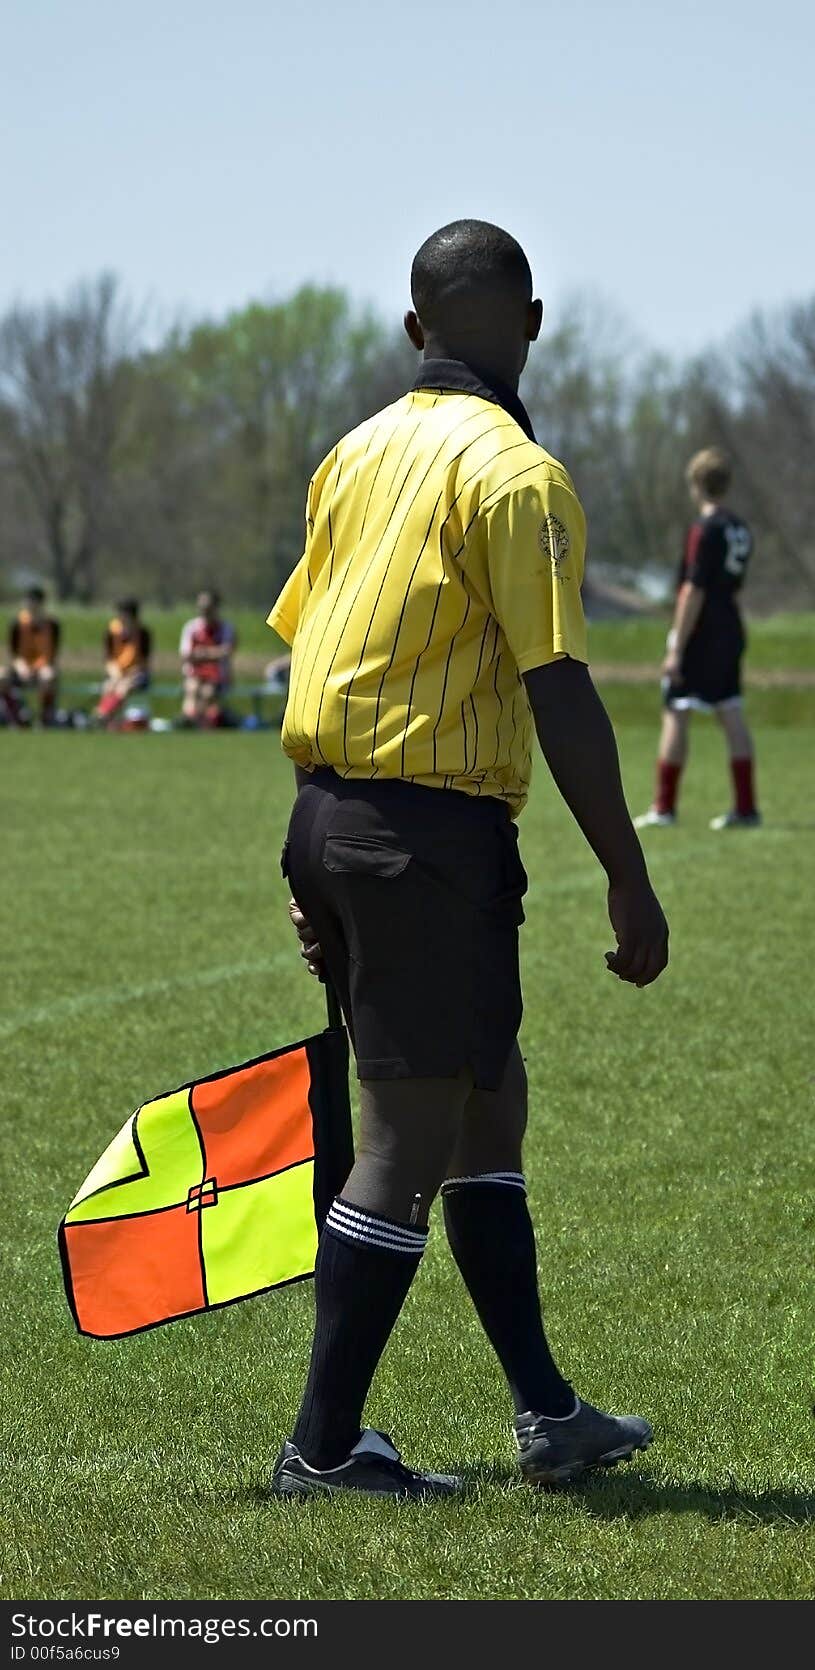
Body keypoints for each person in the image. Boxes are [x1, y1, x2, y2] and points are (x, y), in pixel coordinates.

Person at [266, 219, 669, 1501]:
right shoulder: (513, 473)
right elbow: (556, 685)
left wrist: (314, 851)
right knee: (405, 1135)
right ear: (533, 322)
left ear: (411, 330)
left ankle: (546, 1412)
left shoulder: (352, 452)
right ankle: (323, 1447)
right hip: (421, 834)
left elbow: (316, 645)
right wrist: (626, 866)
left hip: (340, 814)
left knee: (486, 1094)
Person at [635, 448, 760, 831]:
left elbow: (694, 589)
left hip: (703, 629)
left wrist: (676, 645)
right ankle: (746, 808)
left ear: (696, 485)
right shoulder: (739, 528)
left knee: (675, 707)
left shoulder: (704, 529)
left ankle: (664, 807)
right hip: (731, 625)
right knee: (731, 708)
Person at [0, 586, 60, 726]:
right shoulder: (17, 623)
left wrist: (41, 667)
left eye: (33, 601)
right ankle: (16, 716)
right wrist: (21, 666)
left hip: (42, 667)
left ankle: (44, 719)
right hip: (22, 667)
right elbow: (14, 653)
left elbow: (53, 653)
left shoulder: (52, 624)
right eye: (28, 601)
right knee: (1, 676)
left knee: (48, 676)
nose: (29, 604)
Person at [179, 590, 236, 727]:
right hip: (195, 673)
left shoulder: (226, 628)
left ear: (215, 608)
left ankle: (197, 722)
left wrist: (202, 653)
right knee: (192, 689)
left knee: (208, 692)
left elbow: (226, 652)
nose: (204, 611)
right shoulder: (191, 627)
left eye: (208, 608)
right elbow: (186, 655)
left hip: (218, 676)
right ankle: (190, 720)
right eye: (201, 607)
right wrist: (213, 653)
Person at [94, 599, 152, 728]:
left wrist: (129, 674)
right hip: (117, 673)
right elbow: (108, 660)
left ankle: (103, 714)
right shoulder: (111, 632)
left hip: (138, 674)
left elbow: (145, 663)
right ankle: (108, 721)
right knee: (109, 686)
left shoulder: (143, 634)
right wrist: (115, 674)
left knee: (123, 688)